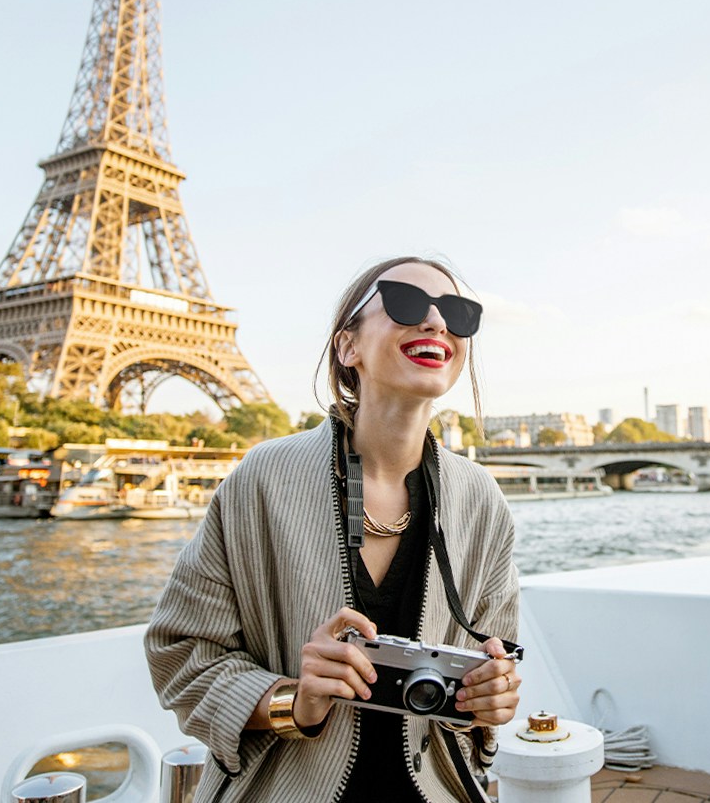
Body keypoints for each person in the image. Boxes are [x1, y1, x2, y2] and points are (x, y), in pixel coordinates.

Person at [145, 257, 522, 802]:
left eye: (458, 313)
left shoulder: (481, 500)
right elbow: (179, 652)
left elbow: (493, 665)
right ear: (347, 348)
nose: (437, 323)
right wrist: (293, 701)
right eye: (406, 303)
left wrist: (489, 699)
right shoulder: (263, 479)